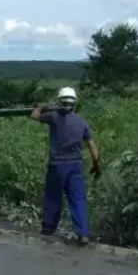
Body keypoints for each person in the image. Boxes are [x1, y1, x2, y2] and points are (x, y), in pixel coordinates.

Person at [30, 87, 101, 245]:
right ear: (75, 103)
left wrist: (40, 107)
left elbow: (34, 116)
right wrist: (96, 165)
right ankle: (83, 233)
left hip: (57, 165)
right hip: (76, 165)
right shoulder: (81, 122)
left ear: (59, 101)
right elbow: (93, 146)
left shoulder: (53, 116)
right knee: (78, 199)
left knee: (53, 197)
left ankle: (48, 229)